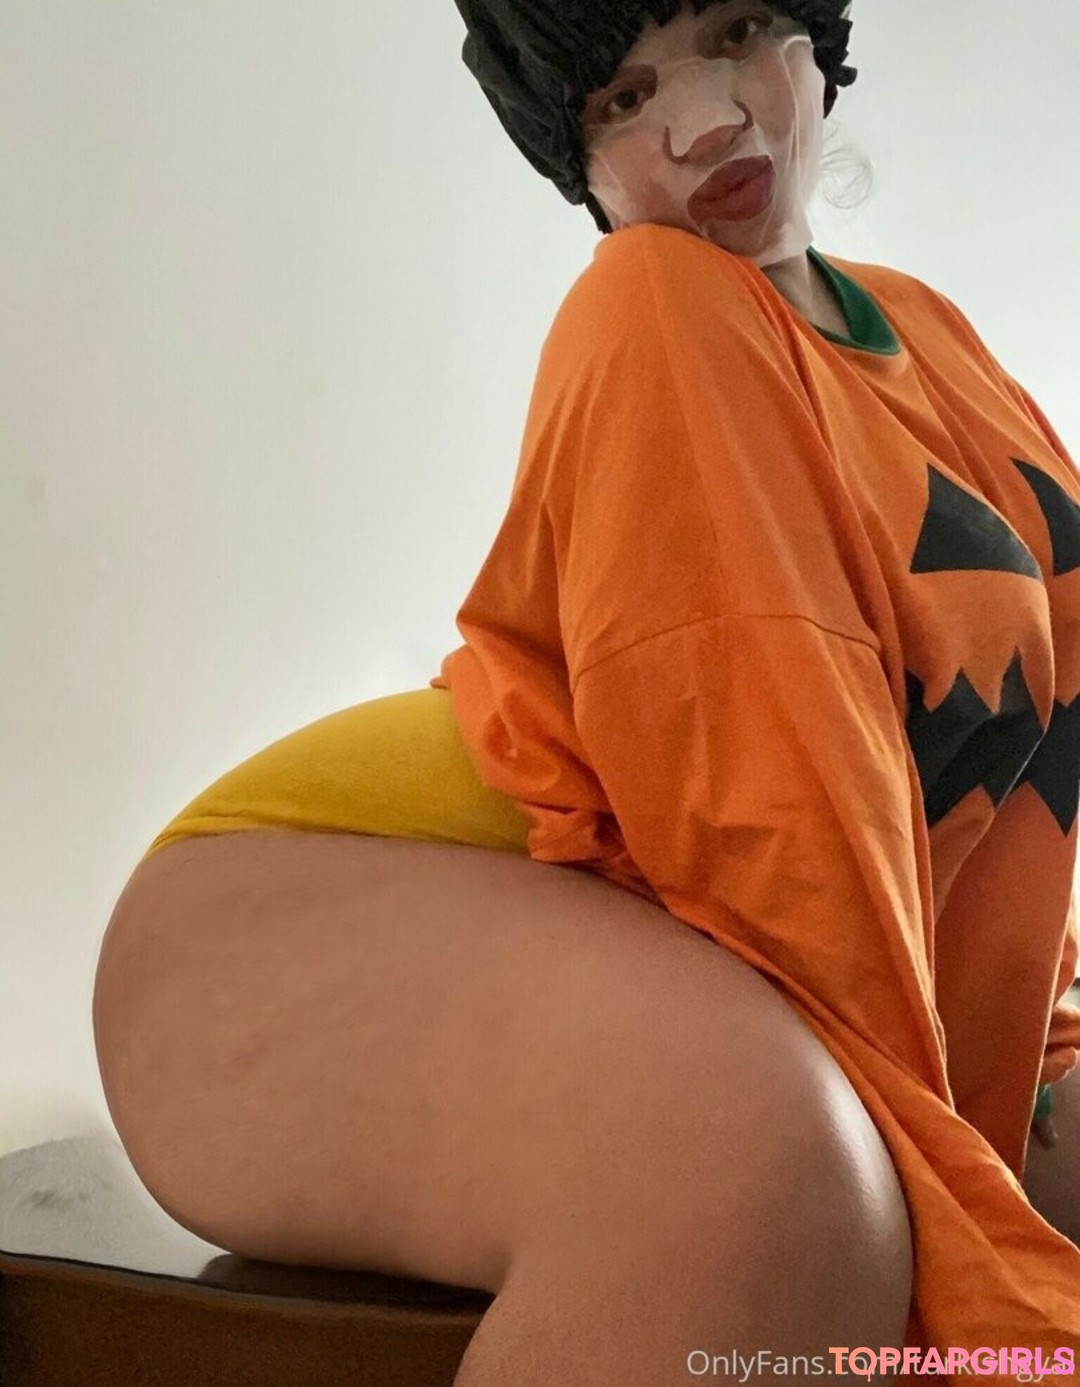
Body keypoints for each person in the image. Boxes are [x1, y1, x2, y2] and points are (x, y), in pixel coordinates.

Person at [91, 1, 1080, 1380]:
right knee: (780, 1180)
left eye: (737, 30)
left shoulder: (932, 338)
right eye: (622, 98)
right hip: (277, 924)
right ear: (582, 165)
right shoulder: (656, 301)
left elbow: (1018, 788)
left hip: (654, 933)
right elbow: (764, 808)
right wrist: (956, 1204)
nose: (703, 123)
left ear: (816, 40)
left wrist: (1028, 1061)